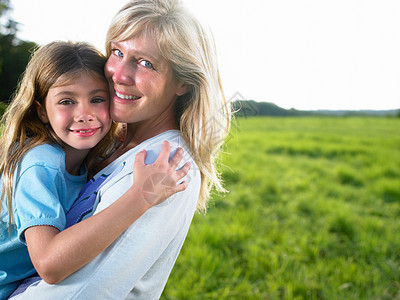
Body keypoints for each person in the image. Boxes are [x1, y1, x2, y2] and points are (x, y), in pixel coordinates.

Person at [11, 0, 231, 298]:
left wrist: (139, 197)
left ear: (183, 82)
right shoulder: (99, 143)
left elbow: (80, 290)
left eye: (145, 63)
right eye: (117, 52)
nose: (118, 74)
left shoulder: (160, 167)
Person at [0, 40, 190, 299]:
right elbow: (49, 264)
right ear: (42, 111)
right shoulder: (39, 164)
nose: (85, 114)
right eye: (67, 101)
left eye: (97, 99)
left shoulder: (90, 155)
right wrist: (140, 197)